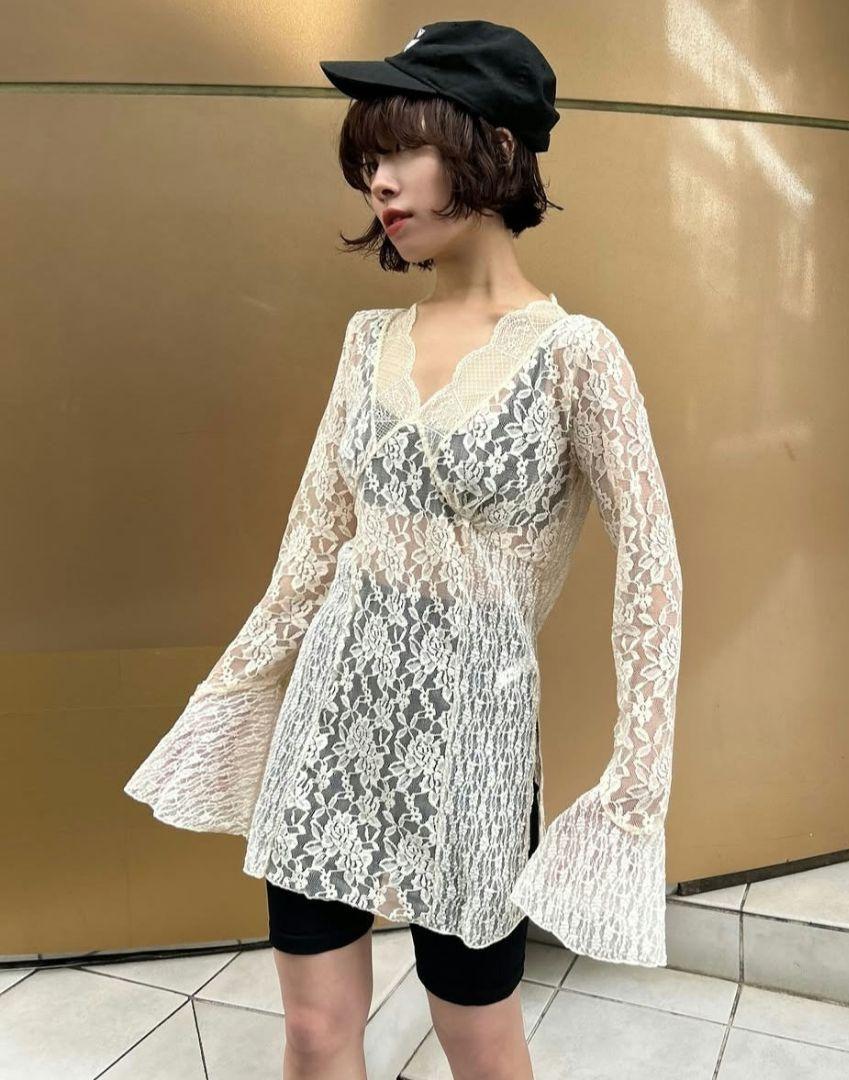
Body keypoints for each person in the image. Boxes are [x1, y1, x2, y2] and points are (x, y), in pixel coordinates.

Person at [124, 19, 683, 1080]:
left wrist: (634, 778)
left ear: (496, 147)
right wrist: (232, 694)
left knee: (478, 1035)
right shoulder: (366, 341)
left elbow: (651, 568)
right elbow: (312, 546)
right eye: (366, 159)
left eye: (402, 149)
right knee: (312, 1030)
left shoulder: (575, 356)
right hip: (330, 716)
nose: (377, 181)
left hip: (474, 737)